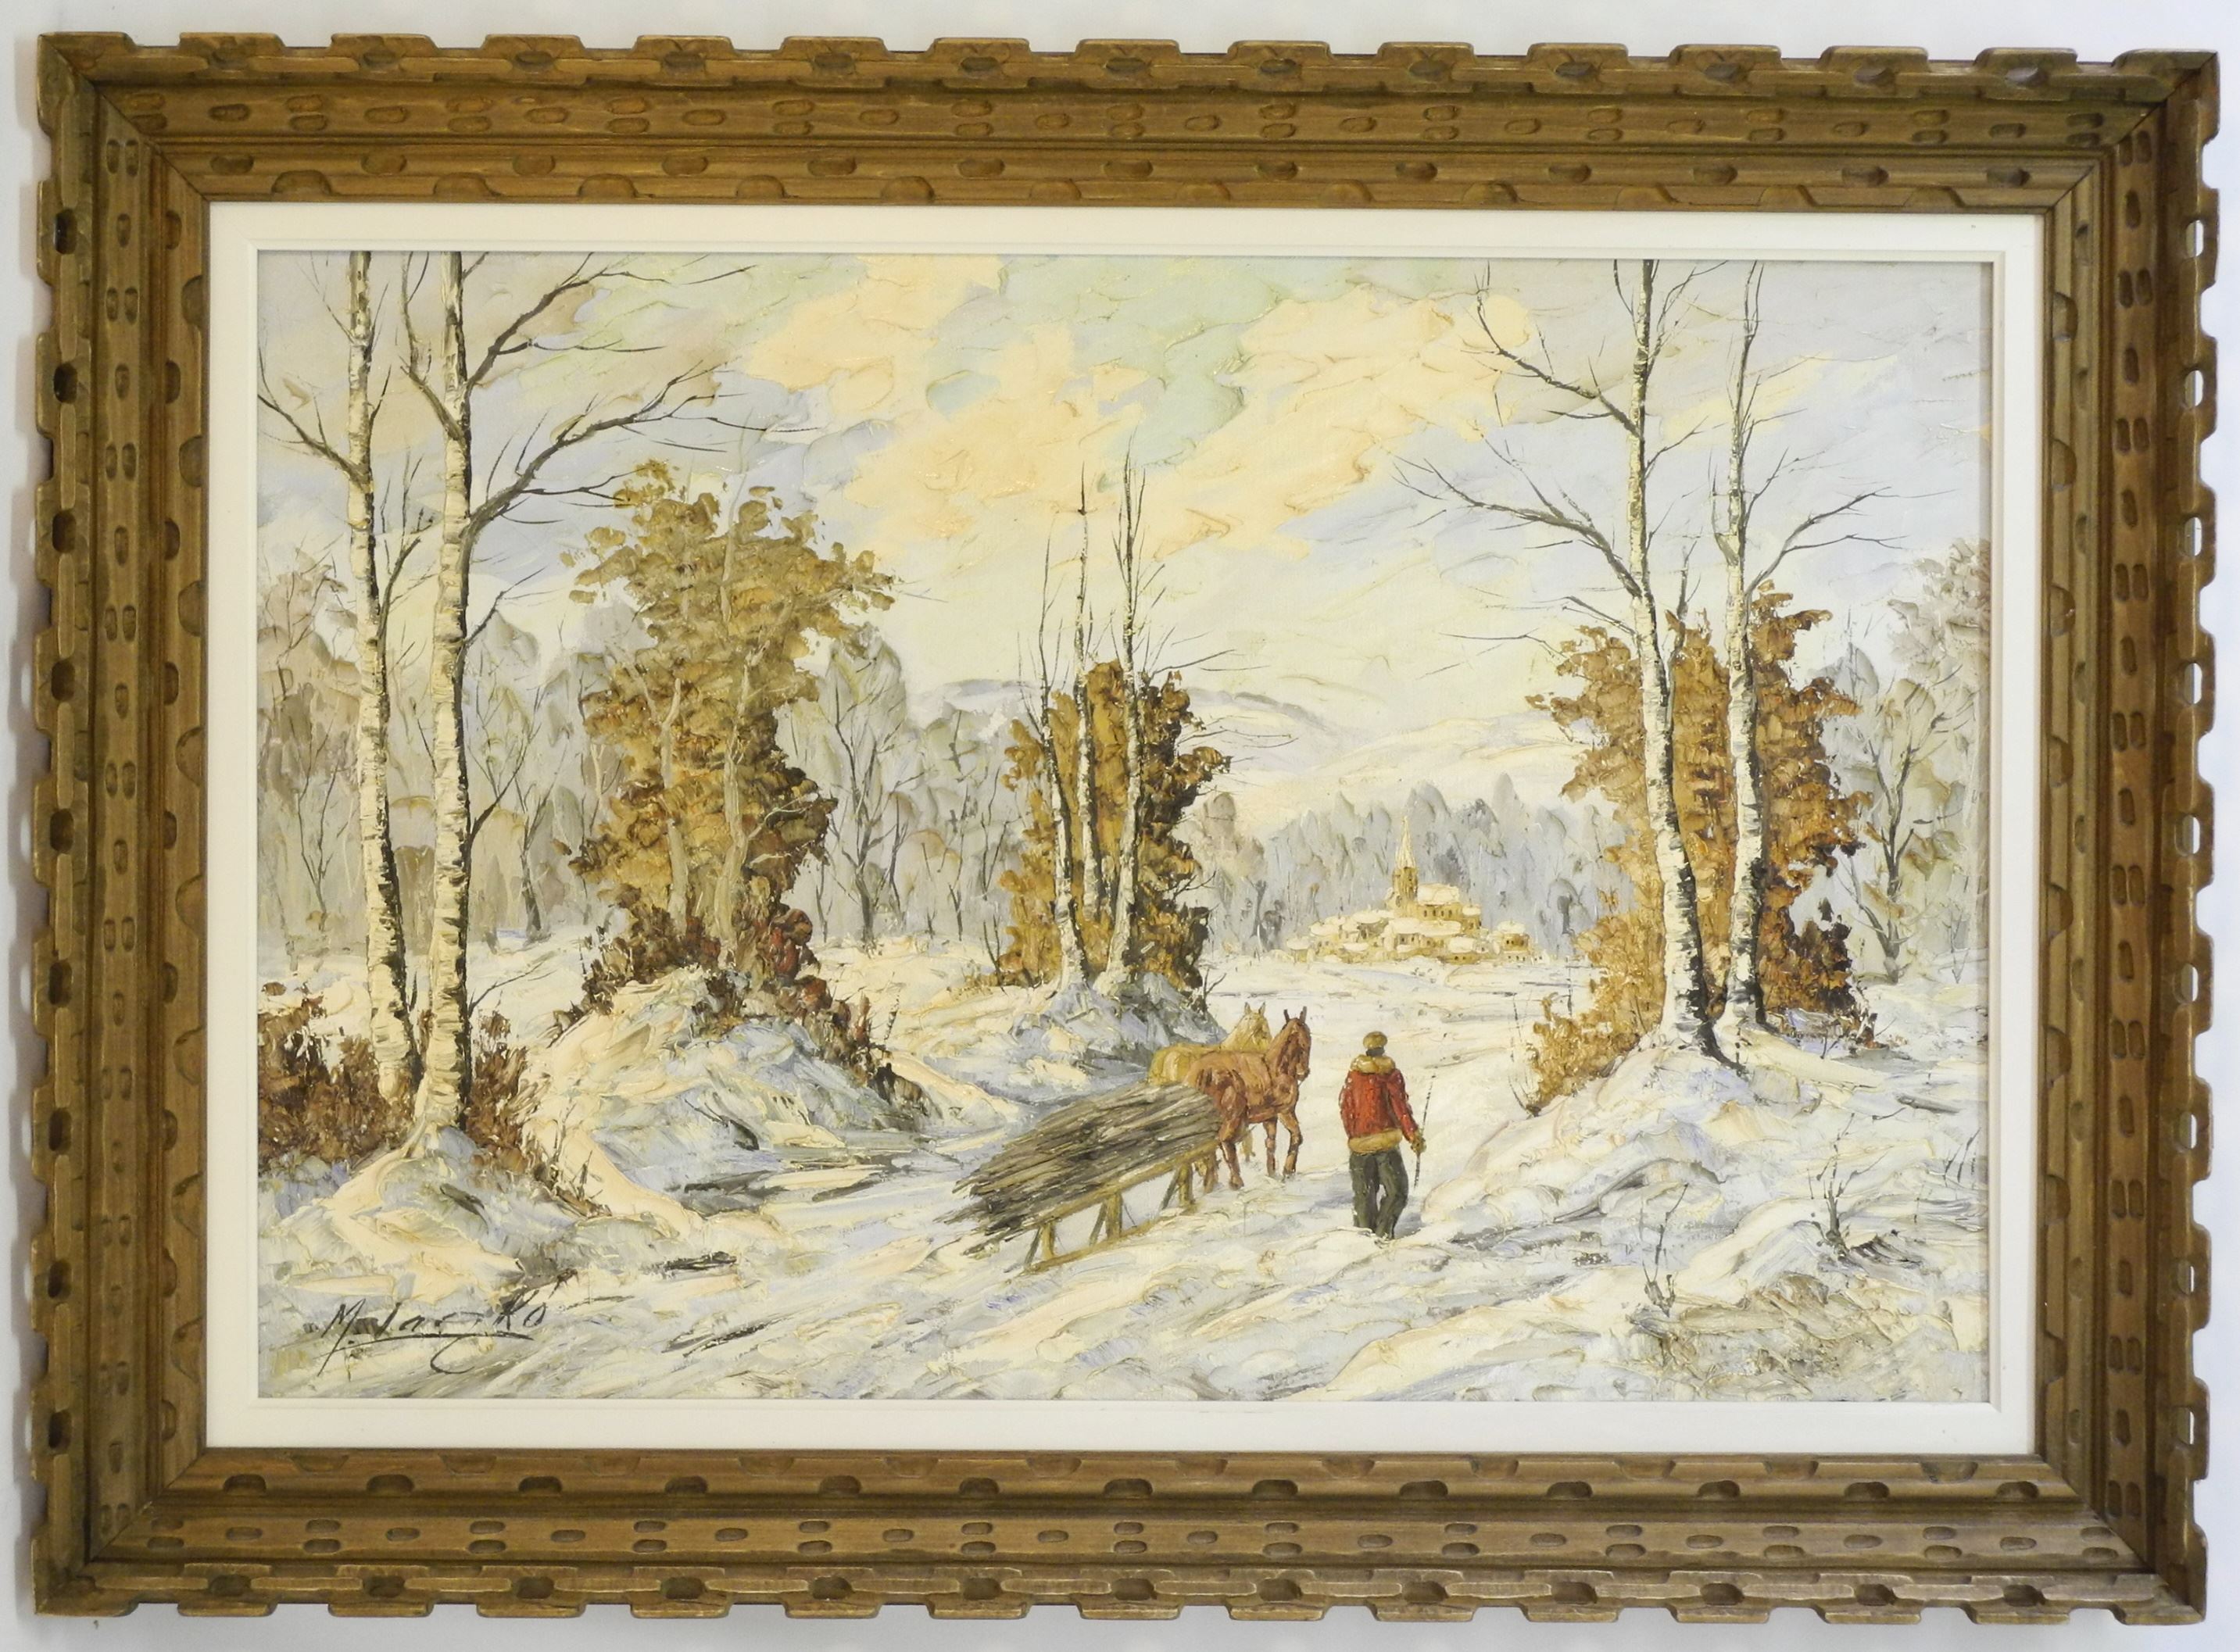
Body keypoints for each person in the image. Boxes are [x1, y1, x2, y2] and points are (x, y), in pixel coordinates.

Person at [1338, 1031, 1421, 1239]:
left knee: (1364, 1196)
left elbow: (1345, 1107)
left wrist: (1355, 1134)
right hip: (1386, 1144)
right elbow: (1400, 1108)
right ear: (1382, 1049)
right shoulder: (1390, 1075)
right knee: (1397, 1192)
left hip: (1359, 1146)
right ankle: (1383, 1233)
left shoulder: (1354, 1076)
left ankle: (1364, 1239)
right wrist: (1413, 1135)